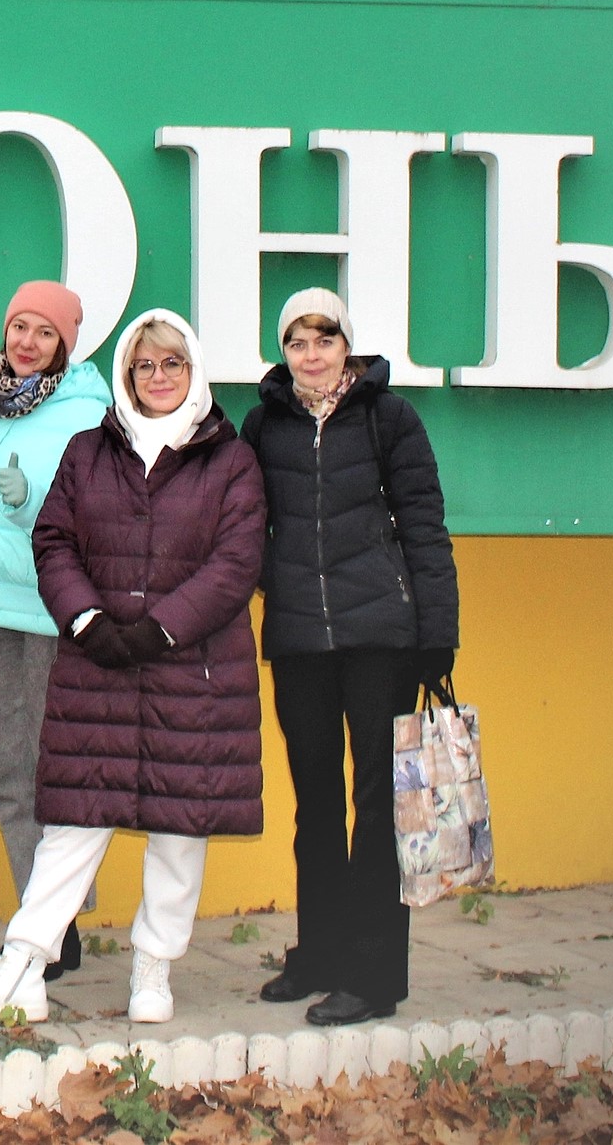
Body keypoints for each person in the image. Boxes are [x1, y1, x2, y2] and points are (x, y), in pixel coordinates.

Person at [0, 311, 265, 1029]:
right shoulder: (90, 450)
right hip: (101, 663)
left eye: (172, 364)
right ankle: (23, 966)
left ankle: (154, 967)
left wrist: (162, 627)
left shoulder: (230, 459)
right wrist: (87, 620)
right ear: (127, 374)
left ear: (193, 371)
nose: (158, 377)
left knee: (180, 824)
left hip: (194, 672)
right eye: (145, 365)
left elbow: (237, 561)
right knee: (73, 822)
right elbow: (54, 539)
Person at [244, 288, 459, 1028]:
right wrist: (273, 578)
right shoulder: (263, 424)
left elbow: (424, 525)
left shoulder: (389, 417)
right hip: (299, 640)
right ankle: (321, 954)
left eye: (325, 339)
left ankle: (374, 976)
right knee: (316, 806)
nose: (312, 355)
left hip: (380, 640)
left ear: (347, 346)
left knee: (376, 807)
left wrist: (437, 633)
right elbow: (243, 523)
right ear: (283, 351)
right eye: (297, 342)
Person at [0, 282, 110, 980]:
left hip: (52, 618)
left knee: (55, 778)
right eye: (19, 325)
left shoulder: (89, 413)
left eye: (45, 332)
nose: (27, 342)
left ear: (65, 344)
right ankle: (44, 927)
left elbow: (100, 513)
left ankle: (54, 923)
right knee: (12, 777)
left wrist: (30, 504)